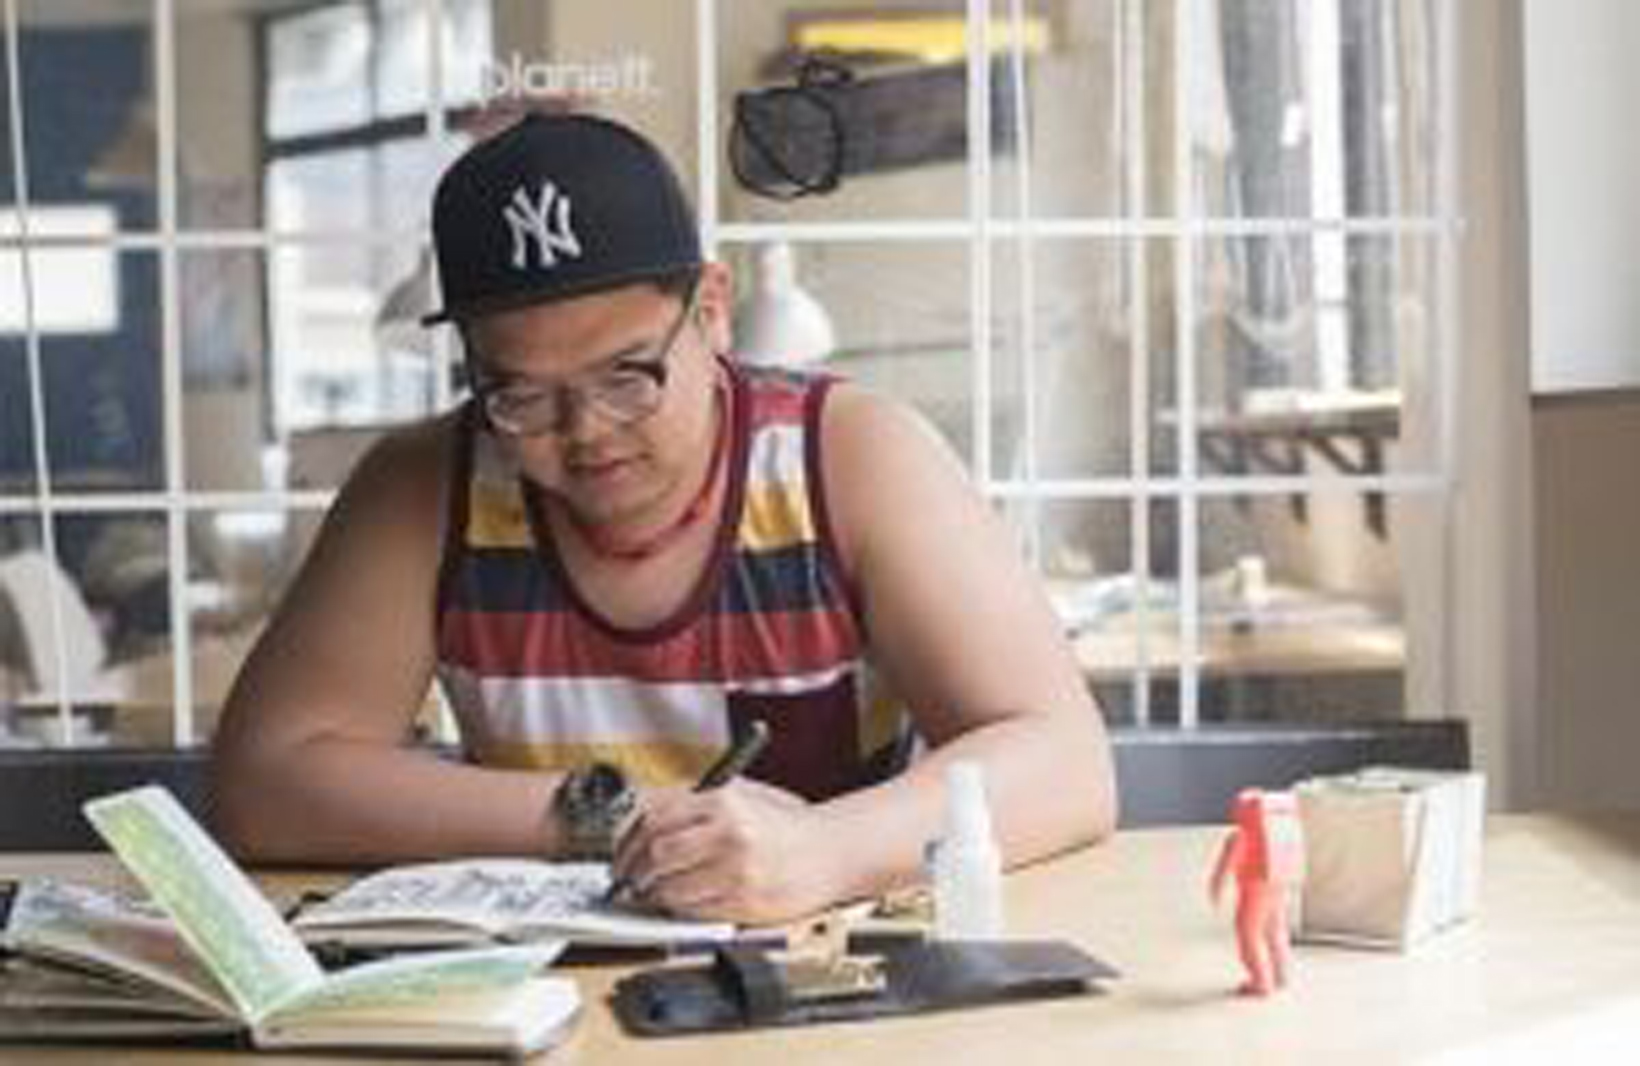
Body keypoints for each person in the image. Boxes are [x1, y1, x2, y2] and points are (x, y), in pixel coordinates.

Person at [209, 112, 1116, 924]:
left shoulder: (851, 456)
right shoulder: (427, 484)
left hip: (838, 989)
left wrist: (826, 851)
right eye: (521, 394)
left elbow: (1068, 763)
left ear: (712, 311)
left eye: (626, 375)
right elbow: (262, 782)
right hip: (545, 1003)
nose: (586, 434)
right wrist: (609, 814)